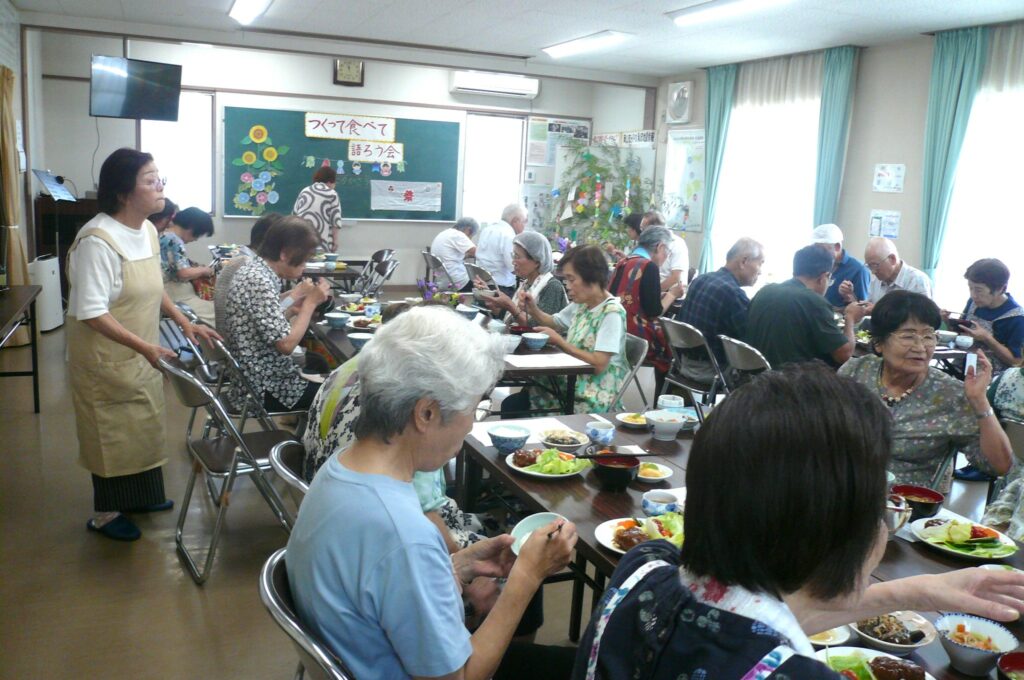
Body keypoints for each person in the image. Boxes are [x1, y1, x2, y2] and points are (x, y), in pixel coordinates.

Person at [572, 364, 1024, 679]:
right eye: (879, 505)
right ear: (835, 531)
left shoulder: (646, 566)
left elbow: (748, 625)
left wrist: (918, 592)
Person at [288, 306, 578, 680]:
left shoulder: (341, 468)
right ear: (426, 413)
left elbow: (376, 583)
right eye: (472, 407)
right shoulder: (404, 535)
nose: (471, 424)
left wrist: (456, 566)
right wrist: (527, 576)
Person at [66, 148, 219, 542]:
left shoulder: (149, 231)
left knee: (143, 424)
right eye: (150, 181)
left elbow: (154, 286)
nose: (160, 187)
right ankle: (105, 514)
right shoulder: (97, 241)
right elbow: (91, 312)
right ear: (123, 193)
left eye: (159, 178)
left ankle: (140, 498)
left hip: (142, 352)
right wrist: (145, 347)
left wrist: (185, 322)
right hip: (106, 358)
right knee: (112, 432)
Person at [838, 291, 1012, 491]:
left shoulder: (950, 394)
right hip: (840, 487)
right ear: (879, 343)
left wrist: (980, 401)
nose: (921, 347)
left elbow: (999, 466)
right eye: (908, 336)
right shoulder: (855, 372)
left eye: (929, 336)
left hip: (904, 501)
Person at [503, 245, 629, 415]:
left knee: (516, 407)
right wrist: (533, 309)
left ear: (592, 278)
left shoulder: (611, 313)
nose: (567, 286)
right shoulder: (582, 304)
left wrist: (560, 342)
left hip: (591, 394)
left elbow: (599, 364)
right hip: (569, 382)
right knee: (514, 403)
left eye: (571, 279)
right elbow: (555, 322)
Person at [224, 216, 330, 412]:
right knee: (340, 394)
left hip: (256, 380)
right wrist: (310, 304)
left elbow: (264, 325)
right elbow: (286, 345)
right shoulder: (258, 281)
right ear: (285, 254)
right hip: (265, 389)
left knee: (320, 367)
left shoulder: (255, 271)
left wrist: (292, 308)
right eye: (304, 259)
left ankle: (306, 427)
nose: (305, 266)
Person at [745, 244, 867, 368]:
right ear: (823, 277)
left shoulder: (764, 291)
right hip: (792, 377)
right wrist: (850, 318)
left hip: (756, 374)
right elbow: (844, 355)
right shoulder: (814, 301)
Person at [608, 226, 684, 398]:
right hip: (636, 335)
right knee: (673, 351)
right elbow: (654, 311)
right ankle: (664, 402)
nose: (666, 257)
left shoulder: (624, 262)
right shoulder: (649, 266)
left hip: (616, 328)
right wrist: (672, 294)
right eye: (667, 252)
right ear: (659, 247)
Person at [674, 237, 763, 382]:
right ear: (744, 261)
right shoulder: (733, 293)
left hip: (684, 362)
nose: (760, 272)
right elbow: (749, 342)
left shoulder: (700, 279)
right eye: (760, 263)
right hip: (713, 370)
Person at [214, 212, 285, 336]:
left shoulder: (243, 256)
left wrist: (294, 295)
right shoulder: (256, 273)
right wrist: (307, 304)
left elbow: (265, 304)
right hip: (249, 338)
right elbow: (278, 334)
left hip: (233, 333)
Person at [949, 258, 1024, 375]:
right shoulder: (973, 302)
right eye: (970, 288)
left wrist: (987, 338)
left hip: (991, 376)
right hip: (961, 365)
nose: (973, 295)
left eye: (978, 290)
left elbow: (1016, 361)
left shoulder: (1017, 317)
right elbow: (962, 335)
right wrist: (948, 321)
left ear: (1001, 289)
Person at [482, 231, 567, 328]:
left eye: (517, 257)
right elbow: (512, 319)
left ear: (537, 261)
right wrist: (491, 299)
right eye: (513, 256)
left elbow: (538, 328)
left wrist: (510, 305)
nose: (513, 262)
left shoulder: (552, 287)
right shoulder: (526, 284)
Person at [159, 206, 216, 327]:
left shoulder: (165, 235)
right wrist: (204, 270)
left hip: (167, 291)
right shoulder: (174, 240)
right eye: (198, 235)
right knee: (217, 312)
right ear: (192, 228)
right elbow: (183, 273)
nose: (196, 239)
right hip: (175, 294)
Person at [850, 237, 932, 304]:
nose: (873, 272)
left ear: (892, 259)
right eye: (869, 266)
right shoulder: (877, 281)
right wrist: (853, 299)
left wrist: (876, 311)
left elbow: (920, 316)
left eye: (875, 265)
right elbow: (868, 306)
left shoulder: (916, 280)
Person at [812, 223, 869, 307]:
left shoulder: (859, 269)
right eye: (815, 249)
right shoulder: (816, 264)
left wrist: (849, 296)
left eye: (822, 249)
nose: (818, 253)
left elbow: (862, 308)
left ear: (837, 247)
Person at [477, 204, 526, 297]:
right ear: (515, 221)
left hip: (482, 285)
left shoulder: (487, 230)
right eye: (524, 222)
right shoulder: (508, 235)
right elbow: (514, 268)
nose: (524, 226)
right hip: (501, 290)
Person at [293, 166, 342, 252]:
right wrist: (336, 241)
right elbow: (336, 221)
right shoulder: (332, 194)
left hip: (300, 240)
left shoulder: (304, 191)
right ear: (330, 181)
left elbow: (294, 215)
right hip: (321, 242)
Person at [641, 210, 689, 293]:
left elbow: (675, 277)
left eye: (643, 229)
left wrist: (653, 293)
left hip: (671, 293)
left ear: (655, 229)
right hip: (654, 289)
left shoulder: (676, 243)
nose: (642, 233)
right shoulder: (651, 242)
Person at [430, 217, 479, 292]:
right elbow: (478, 253)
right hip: (458, 281)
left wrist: (467, 255)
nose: (470, 239)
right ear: (469, 230)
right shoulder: (458, 235)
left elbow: (450, 256)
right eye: (471, 236)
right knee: (483, 286)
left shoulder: (444, 233)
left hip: (442, 279)